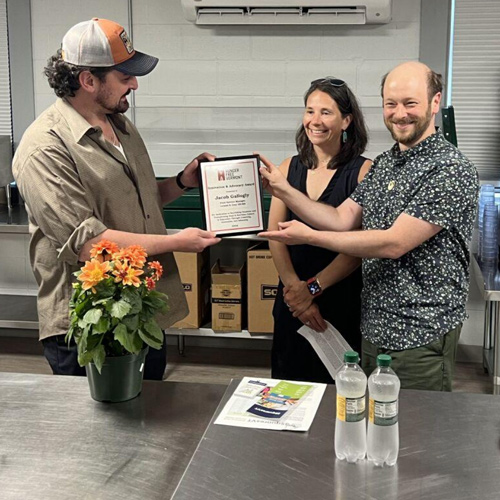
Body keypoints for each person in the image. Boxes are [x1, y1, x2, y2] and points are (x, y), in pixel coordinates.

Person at [12, 18, 220, 380]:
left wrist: (184, 182)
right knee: (100, 435)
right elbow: (90, 244)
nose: (135, 85)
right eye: (124, 77)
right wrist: (177, 242)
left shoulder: (120, 125)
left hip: (142, 312)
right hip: (88, 325)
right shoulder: (44, 147)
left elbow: (138, 200)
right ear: (88, 80)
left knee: (149, 422)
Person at [259, 62, 479, 392]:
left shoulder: (449, 169)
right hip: (373, 330)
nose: (399, 113)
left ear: (435, 103)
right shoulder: (388, 164)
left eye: (410, 103)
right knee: (370, 426)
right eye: (391, 104)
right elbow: (342, 218)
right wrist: (286, 189)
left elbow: (393, 244)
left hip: (419, 334)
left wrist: (308, 236)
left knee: (412, 436)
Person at [268, 77, 371, 384]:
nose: (315, 120)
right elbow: (275, 237)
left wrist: (312, 289)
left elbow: (358, 249)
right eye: (309, 111)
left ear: (346, 121)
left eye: (326, 112)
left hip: (338, 299)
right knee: (288, 386)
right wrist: (295, 294)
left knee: (338, 390)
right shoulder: (288, 168)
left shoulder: (364, 171)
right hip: (291, 299)